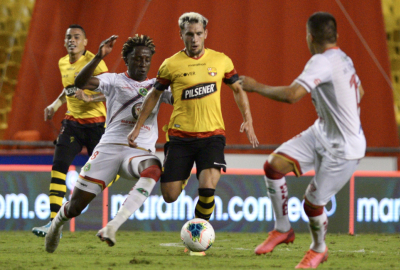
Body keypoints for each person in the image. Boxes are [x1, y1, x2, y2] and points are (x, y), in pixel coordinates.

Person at [127, 12, 259, 256]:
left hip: (212, 136)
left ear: (206, 34)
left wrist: (248, 120)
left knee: (208, 186)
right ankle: (183, 175)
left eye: (199, 34)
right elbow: (154, 95)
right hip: (181, 139)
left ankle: (198, 239)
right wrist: (137, 127)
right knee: (169, 196)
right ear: (181, 35)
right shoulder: (170, 64)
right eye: (189, 34)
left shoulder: (221, 61)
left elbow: (238, 90)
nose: (195, 38)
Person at [241, 12, 366, 269]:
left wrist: (255, 86)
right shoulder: (343, 57)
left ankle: (318, 249)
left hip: (343, 149)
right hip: (322, 131)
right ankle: (283, 229)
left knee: (312, 204)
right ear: (335, 36)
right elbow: (360, 92)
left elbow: (291, 95)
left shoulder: (321, 61)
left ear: (309, 37)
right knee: (273, 166)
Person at [44, 33, 172, 253]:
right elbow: (80, 83)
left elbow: (184, 98)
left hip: (137, 151)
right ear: (127, 60)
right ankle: (55, 226)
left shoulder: (157, 86)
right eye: (137, 59)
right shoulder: (113, 80)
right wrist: (98, 57)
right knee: (76, 207)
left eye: (146, 59)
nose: (142, 63)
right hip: (109, 148)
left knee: (153, 168)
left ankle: (112, 226)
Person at [32, 24, 109, 237]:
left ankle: (80, 198)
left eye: (76, 37)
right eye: (68, 37)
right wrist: (55, 106)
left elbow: (111, 91)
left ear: (85, 42)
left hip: (97, 125)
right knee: (59, 165)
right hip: (73, 123)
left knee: (105, 173)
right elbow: (69, 88)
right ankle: (53, 225)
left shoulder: (95, 62)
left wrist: (90, 97)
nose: (71, 40)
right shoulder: (62, 62)